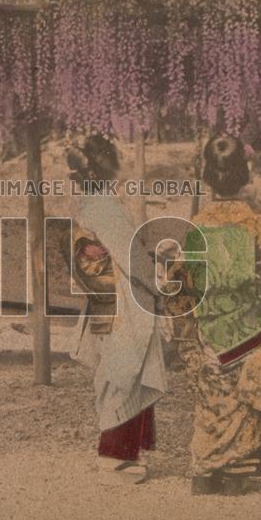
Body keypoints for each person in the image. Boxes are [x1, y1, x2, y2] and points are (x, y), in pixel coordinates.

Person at [162, 134, 261, 495]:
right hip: (250, 337)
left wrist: (189, 335)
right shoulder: (256, 227)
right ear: (245, 177)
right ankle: (237, 472)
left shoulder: (194, 230)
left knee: (212, 400)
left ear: (207, 177)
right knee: (254, 381)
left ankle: (205, 472)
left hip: (207, 338)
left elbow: (178, 292)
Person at [65, 133, 168, 485]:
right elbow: (131, 258)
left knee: (120, 370)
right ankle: (113, 456)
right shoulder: (104, 207)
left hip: (107, 296)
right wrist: (157, 285)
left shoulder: (93, 203)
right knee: (124, 371)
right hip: (121, 298)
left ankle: (123, 452)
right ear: (109, 168)